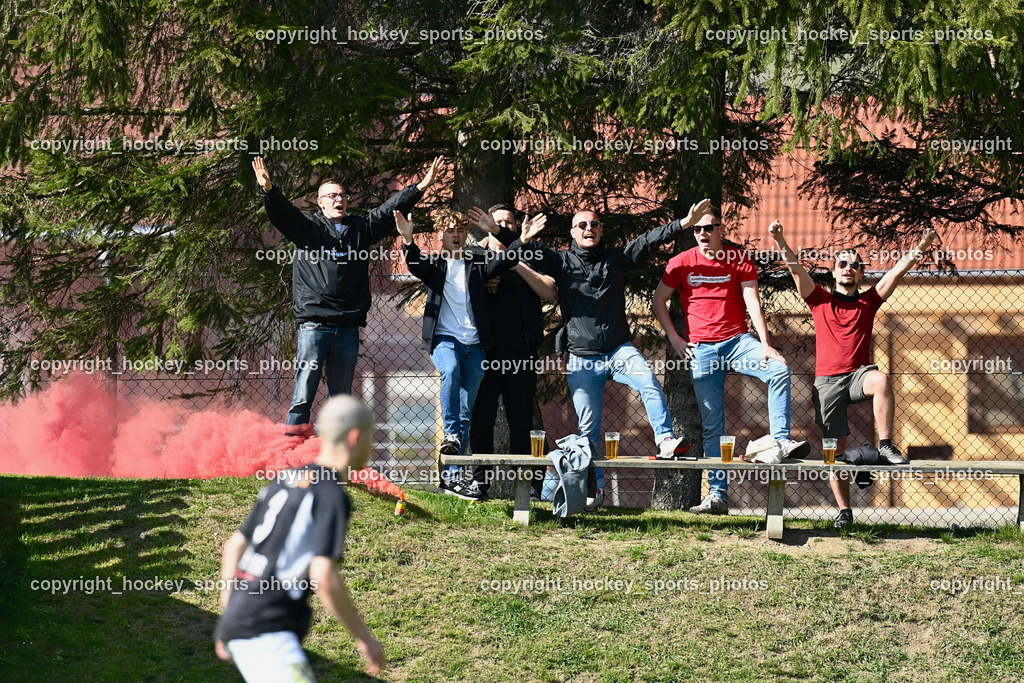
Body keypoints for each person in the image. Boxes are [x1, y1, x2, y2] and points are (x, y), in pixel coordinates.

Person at [519, 201, 711, 506]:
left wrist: (684, 223)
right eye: (581, 225)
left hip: (619, 350)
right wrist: (518, 237)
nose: (588, 229)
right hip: (582, 358)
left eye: (594, 224)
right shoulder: (561, 261)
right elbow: (517, 251)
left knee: (648, 381)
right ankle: (594, 491)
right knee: (588, 430)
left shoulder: (616, 259)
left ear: (601, 230)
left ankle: (664, 440)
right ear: (572, 232)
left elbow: (648, 240)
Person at [252, 156, 442, 436]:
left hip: (347, 327)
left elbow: (388, 209)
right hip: (315, 325)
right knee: (303, 392)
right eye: (332, 195)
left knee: (339, 400)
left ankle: (334, 452)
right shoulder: (308, 228)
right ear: (320, 202)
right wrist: (269, 190)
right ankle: (290, 449)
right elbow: (283, 213)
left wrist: (421, 186)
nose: (339, 199)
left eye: (343, 195)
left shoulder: (360, 229)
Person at [769, 220, 936, 529]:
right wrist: (780, 238)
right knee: (835, 451)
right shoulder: (819, 299)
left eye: (854, 265)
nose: (847, 268)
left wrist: (921, 248)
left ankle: (884, 446)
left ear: (860, 274)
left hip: (858, 376)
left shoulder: (867, 301)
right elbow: (795, 270)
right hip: (827, 383)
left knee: (881, 379)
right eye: (842, 263)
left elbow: (896, 273)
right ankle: (845, 511)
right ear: (834, 272)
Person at [214, 395, 384, 681]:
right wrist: (364, 637)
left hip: (241, 621)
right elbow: (324, 575)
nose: (371, 447)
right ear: (355, 438)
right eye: (371, 438)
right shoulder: (330, 495)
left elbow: (233, 547)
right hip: (269, 629)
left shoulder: (284, 480)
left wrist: (229, 616)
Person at [652, 209, 809, 516]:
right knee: (713, 426)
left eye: (709, 227)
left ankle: (780, 441)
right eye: (697, 229)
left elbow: (753, 300)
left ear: (720, 229)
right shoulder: (680, 262)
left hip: (737, 342)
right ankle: (717, 496)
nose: (702, 233)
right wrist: (674, 337)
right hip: (702, 350)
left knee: (779, 369)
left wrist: (765, 344)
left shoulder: (738, 259)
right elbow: (658, 300)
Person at [396, 208, 545, 500]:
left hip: (476, 346)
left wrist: (522, 241)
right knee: (449, 371)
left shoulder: (476, 264)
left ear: (465, 235)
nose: (455, 234)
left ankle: (451, 479)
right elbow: (414, 264)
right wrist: (407, 239)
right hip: (446, 339)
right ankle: (450, 435)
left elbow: (504, 262)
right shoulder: (436, 266)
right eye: (449, 229)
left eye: (460, 230)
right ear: (440, 235)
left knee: (467, 411)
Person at [465, 204, 557, 500]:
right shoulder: (474, 255)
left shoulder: (528, 257)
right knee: (481, 419)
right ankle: (479, 482)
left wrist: (513, 259)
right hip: (483, 353)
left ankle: (526, 486)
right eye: (497, 221)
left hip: (520, 353)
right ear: (486, 225)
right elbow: (459, 290)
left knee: (522, 421)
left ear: (515, 228)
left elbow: (550, 291)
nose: (503, 225)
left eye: (509, 222)